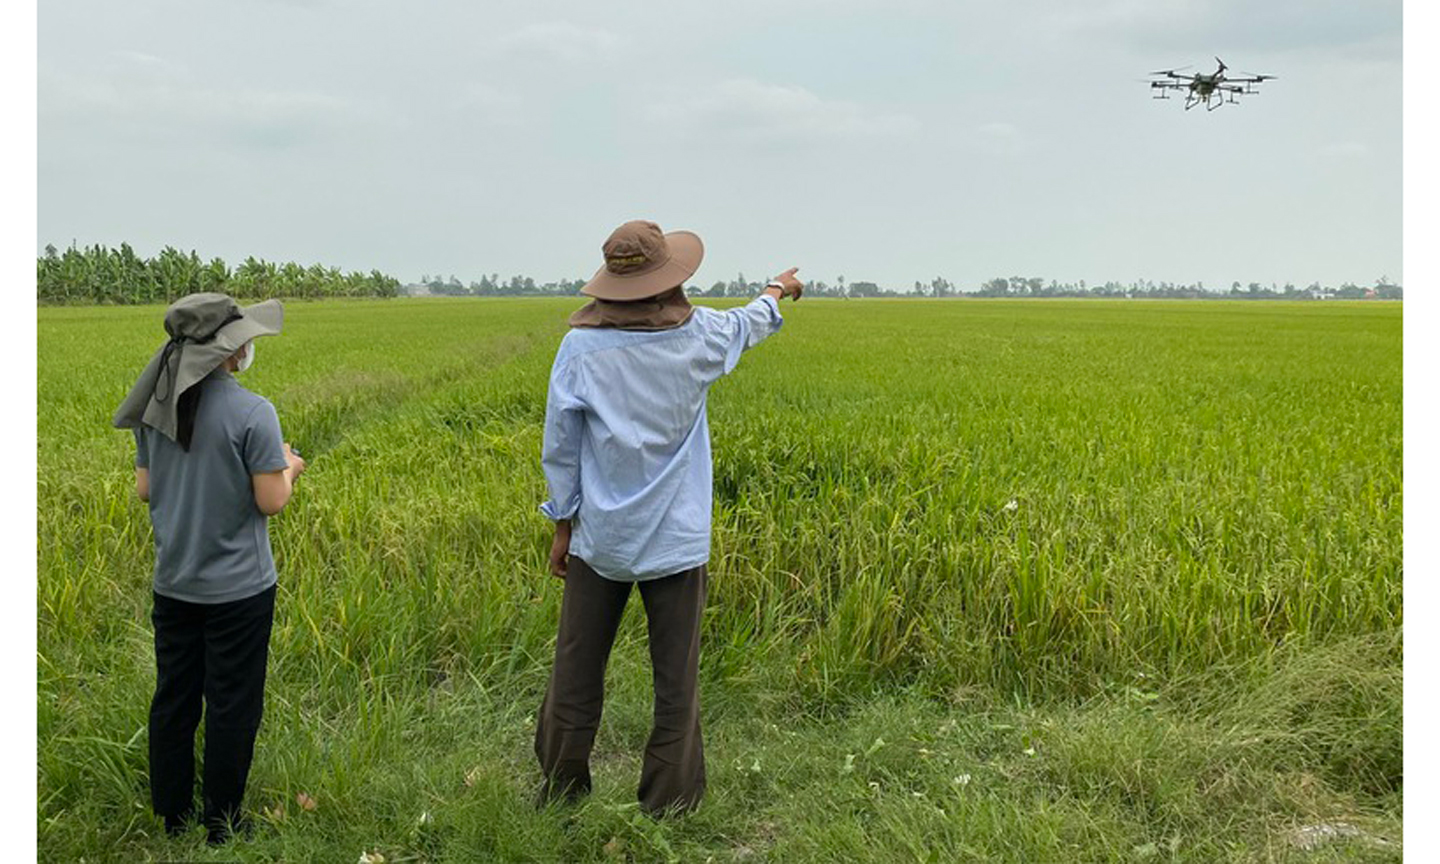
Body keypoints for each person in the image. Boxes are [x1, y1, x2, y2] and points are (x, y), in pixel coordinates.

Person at [534, 219, 803, 816]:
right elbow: (749, 322)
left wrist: (562, 524)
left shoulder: (580, 348)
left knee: (576, 670)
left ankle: (560, 791)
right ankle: (671, 803)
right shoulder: (700, 336)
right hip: (677, 544)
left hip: (600, 540)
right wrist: (777, 289)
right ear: (669, 281)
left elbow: (561, 446)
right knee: (674, 681)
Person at [113, 293, 306, 845]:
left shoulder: (157, 406)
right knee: (232, 703)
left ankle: (171, 818)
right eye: (243, 339)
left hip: (174, 584)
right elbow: (270, 501)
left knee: (174, 696)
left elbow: (147, 489)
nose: (249, 347)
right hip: (240, 591)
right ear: (229, 351)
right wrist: (289, 466)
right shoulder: (253, 413)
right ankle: (222, 824)